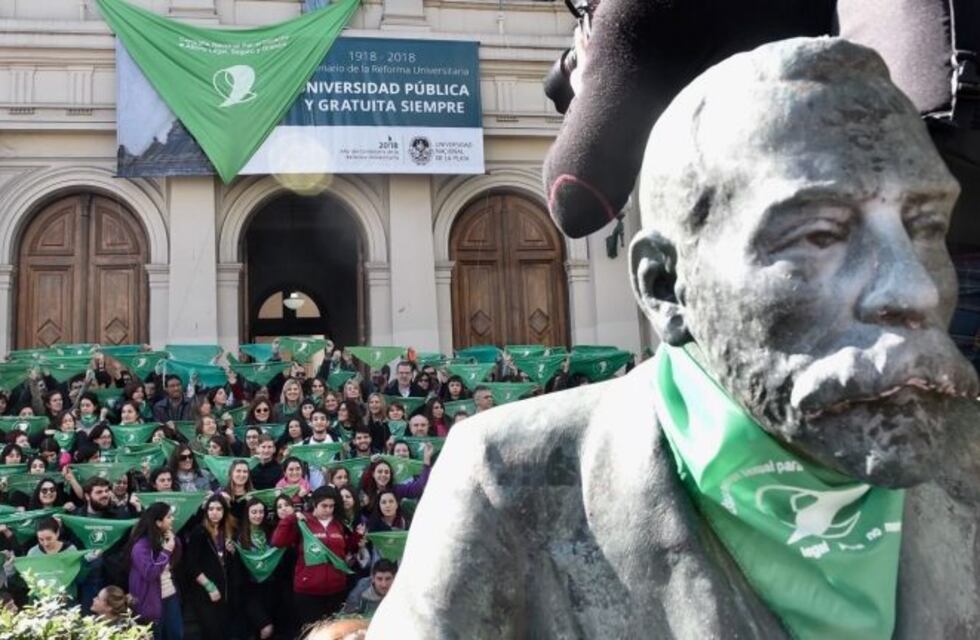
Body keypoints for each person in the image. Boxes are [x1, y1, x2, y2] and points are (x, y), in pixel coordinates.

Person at [368, 39, 980, 638]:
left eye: (925, 226)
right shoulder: (504, 481)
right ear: (665, 287)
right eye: (819, 235)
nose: (916, 288)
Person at [271, 486, 359, 629]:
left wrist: (357, 538)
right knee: (312, 634)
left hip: (336, 590)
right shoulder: (303, 521)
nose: (328, 510)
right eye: (324, 506)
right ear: (314, 504)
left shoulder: (339, 524)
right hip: (308, 591)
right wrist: (291, 518)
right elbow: (278, 542)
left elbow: (345, 550)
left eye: (331, 506)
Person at [128, 502, 182, 639]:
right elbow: (150, 573)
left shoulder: (166, 539)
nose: (172, 519)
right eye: (169, 517)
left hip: (170, 595)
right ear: (158, 522)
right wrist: (167, 550)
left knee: (176, 635)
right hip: (150, 601)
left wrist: (174, 542)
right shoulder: (141, 546)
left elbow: (175, 562)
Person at [185, 494, 236, 639]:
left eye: (219, 509)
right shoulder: (199, 532)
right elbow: (191, 565)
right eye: (211, 509)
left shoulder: (227, 530)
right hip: (205, 592)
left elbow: (228, 564)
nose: (214, 512)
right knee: (211, 632)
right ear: (206, 511)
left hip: (225, 590)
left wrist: (232, 552)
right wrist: (209, 587)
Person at [236, 497, 276, 640]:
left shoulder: (270, 530)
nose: (258, 515)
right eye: (254, 512)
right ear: (247, 513)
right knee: (264, 628)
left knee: (269, 630)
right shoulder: (239, 535)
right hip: (250, 588)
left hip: (270, 585)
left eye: (261, 512)